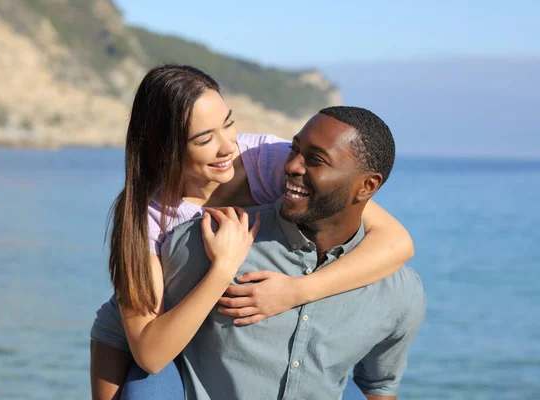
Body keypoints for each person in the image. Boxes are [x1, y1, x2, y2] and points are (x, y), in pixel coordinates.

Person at [90, 65, 414, 400]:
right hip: (147, 335)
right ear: (164, 147)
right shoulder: (147, 212)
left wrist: (295, 292)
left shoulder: (267, 161)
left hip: (217, 336)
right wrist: (224, 267)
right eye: (204, 139)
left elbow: (396, 242)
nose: (227, 147)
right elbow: (151, 353)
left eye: (228, 123)